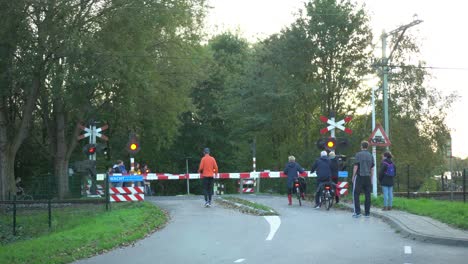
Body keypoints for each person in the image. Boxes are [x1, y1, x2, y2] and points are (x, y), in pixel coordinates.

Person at [352, 141, 375, 218]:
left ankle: (357, 212)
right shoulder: (370, 155)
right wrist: (371, 179)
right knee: (368, 195)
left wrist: (353, 176)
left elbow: (356, 166)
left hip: (360, 176)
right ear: (367, 146)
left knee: (356, 194)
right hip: (367, 177)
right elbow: (372, 169)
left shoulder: (358, 155)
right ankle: (367, 213)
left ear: (361, 146)